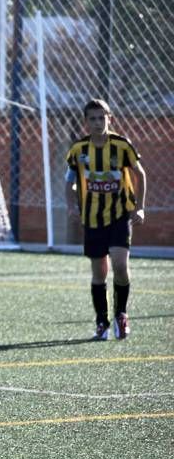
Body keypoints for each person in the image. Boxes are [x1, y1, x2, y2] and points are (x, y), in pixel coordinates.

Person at [65, 98, 147, 340]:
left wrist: (140, 208)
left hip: (120, 215)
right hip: (91, 219)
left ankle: (121, 313)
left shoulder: (122, 146)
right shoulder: (78, 150)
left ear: (109, 118)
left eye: (102, 117)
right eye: (92, 118)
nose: (98, 122)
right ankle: (102, 321)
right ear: (85, 122)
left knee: (120, 266)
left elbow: (140, 174)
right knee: (99, 272)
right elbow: (69, 181)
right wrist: (71, 206)